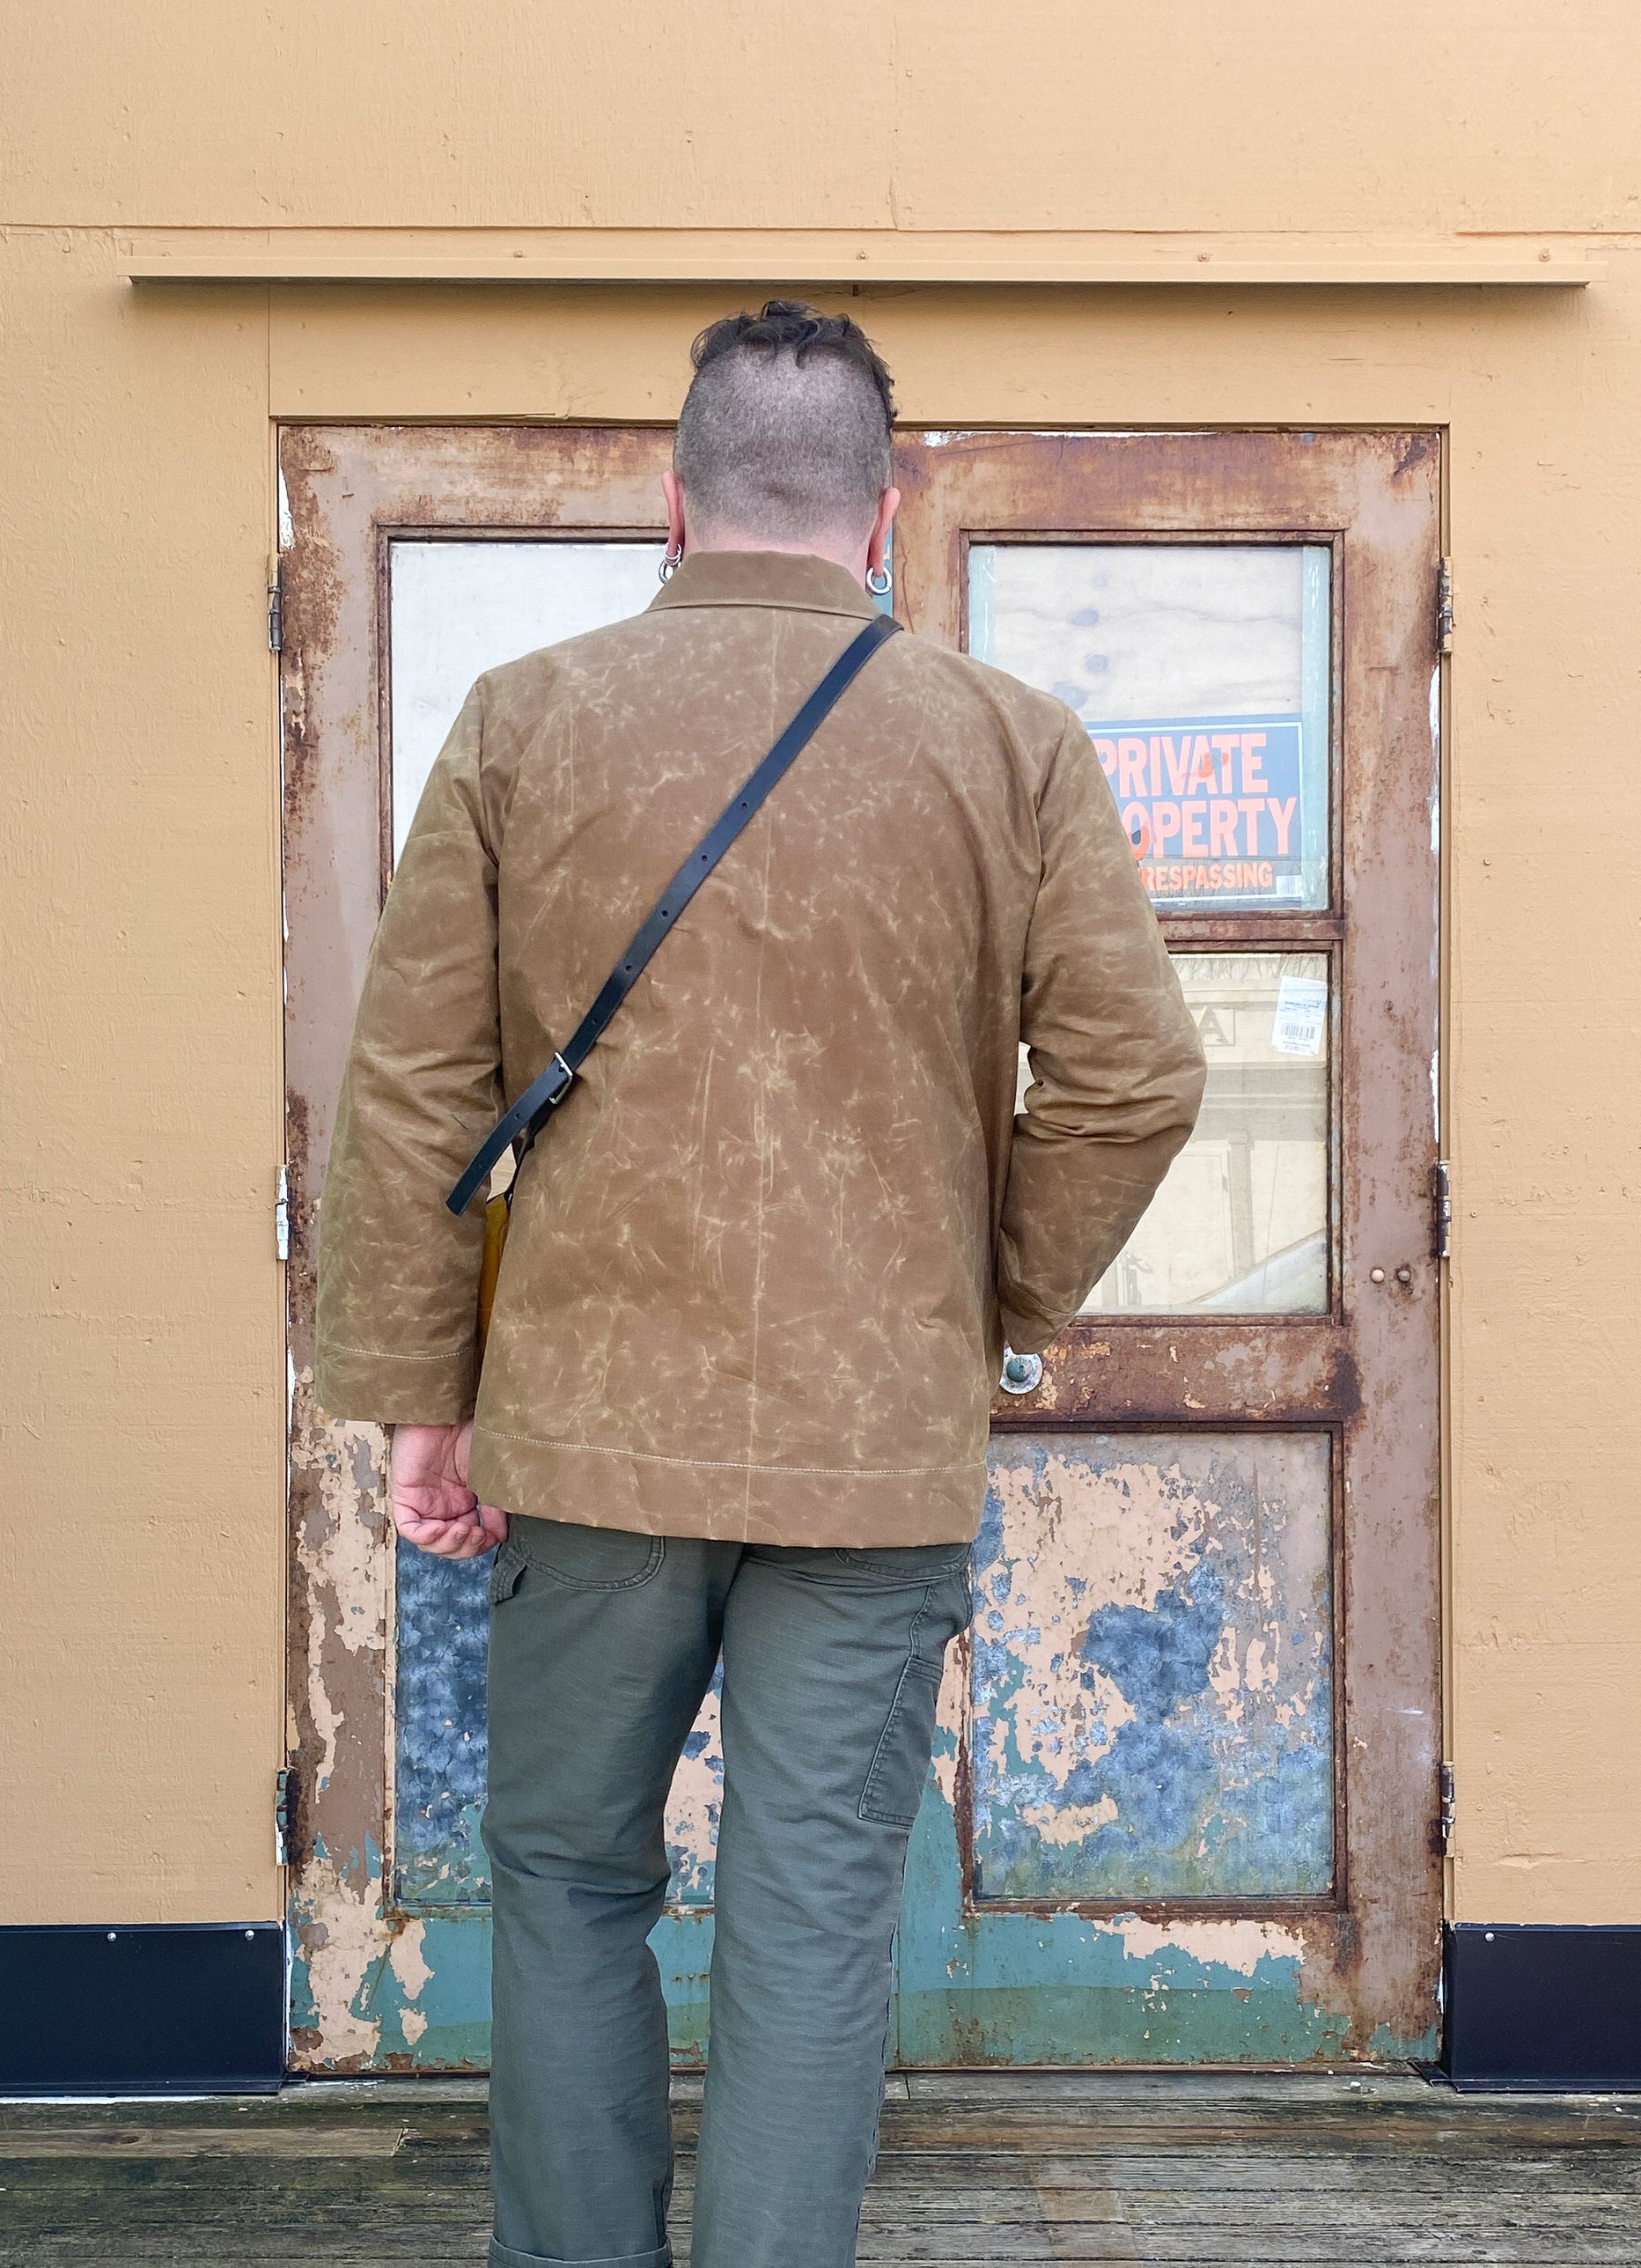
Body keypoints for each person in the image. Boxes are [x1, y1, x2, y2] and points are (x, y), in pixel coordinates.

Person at [315, 300, 1205, 2268]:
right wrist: (984, 1294)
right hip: (872, 1446)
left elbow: (412, 1091)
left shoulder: (522, 720)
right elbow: (1138, 1074)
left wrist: (420, 1395)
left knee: (561, 1880)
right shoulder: (1011, 742)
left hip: (590, 1432)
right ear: (882, 516)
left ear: (673, 499)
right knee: (810, 1915)